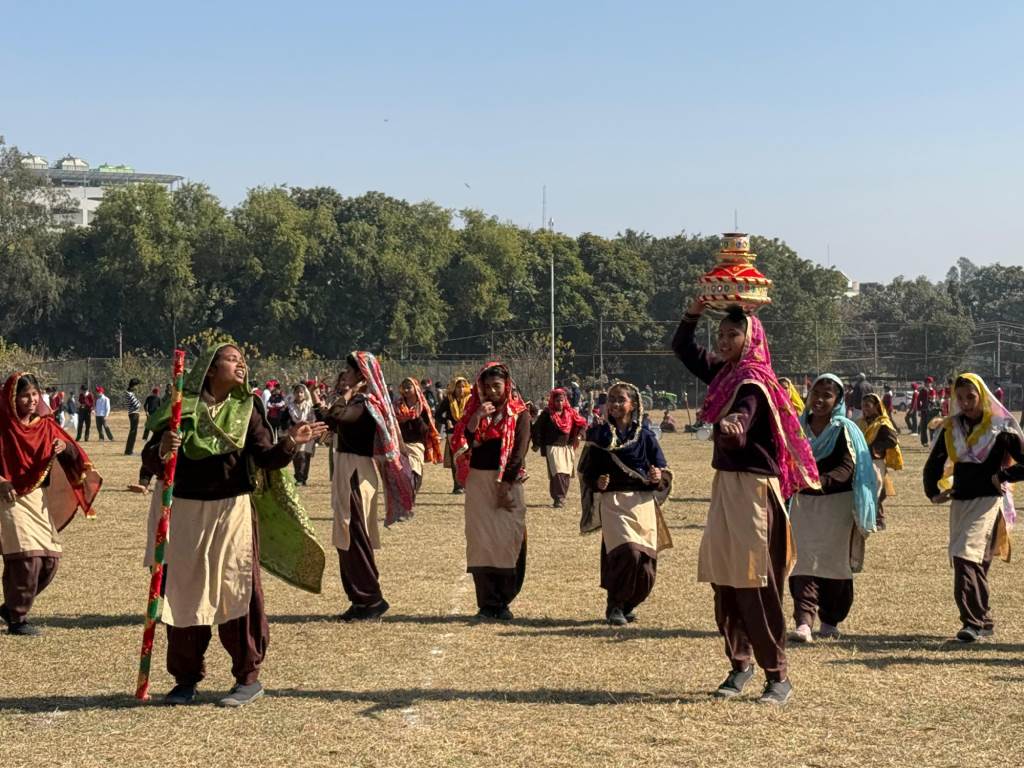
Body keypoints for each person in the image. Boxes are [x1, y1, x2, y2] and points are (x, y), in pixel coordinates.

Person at [141, 345, 326, 707]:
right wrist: (164, 447)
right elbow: (152, 458)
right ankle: (185, 679)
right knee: (184, 595)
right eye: (231, 358)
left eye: (243, 359)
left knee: (237, 591)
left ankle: (247, 677)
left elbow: (265, 458)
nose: (241, 363)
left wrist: (290, 441)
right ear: (210, 369)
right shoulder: (181, 405)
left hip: (232, 511)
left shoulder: (249, 408)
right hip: (184, 511)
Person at [673, 301, 819, 706]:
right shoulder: (725, 374)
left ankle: (777, 676)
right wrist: (693, 313)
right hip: (727, 487)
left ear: (750, 338)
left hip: (755, 491)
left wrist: (732, 425)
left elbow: (744, 417)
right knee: (725, 581)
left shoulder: (753, 383)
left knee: (756, 584)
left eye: (731, 335)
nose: (723, 341)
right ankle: (740, 665)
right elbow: (683, 348)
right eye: (720, 334)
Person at [312, 352, 414, 622]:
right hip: (348, 469)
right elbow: (329, 421)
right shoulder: (356, 402)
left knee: (355, 535)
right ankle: (359, 599)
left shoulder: (366, 404)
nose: (343, 374)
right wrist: (319, 398)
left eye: (348, 370)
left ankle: (371, 599)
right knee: (347, 537)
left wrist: (347, 394)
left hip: (357, 473)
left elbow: (338, 415)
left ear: (361, 375)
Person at [923, 373, 1024, 643]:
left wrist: (1003, 476)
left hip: (988, 500)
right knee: (971, 559)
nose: (966, 403)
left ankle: (972, 622)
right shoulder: (952, 428)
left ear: (982, 396)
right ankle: (984, 619)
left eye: (971, 397)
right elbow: (934, 463)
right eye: (961, 398)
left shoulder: (1001, 429)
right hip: (960, 500)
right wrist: (933, 492)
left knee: (964, 556)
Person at [1, 372, 102, 635]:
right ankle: (17, 619)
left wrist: (63, 447)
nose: (31, 400)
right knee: (25, 559)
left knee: (49, 561)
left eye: (34, 394)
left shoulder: (44, 425)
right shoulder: (2, 424)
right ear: (12, 397)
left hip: (36, 498)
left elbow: (75, 454)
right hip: (7, 498)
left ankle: (10, 606)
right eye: (25, 395)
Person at [788, 375, 877, 644]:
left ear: (838, 400)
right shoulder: (796, 429)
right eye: (816, 392)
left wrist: (816, 482)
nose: (820, 399)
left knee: (834, 566)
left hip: (837, 506)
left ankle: (830, 621)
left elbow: (847, 468)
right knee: (801, 562)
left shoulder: (845, 430)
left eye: (827, 395)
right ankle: (804, 621)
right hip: (802, 506)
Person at [579, 381, 672, 625]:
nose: (615, 404)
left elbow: (662, 470)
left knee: (646, 565)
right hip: (614, 501)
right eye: (611, 399)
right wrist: (597, 481)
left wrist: (657, 477)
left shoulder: (646, 436)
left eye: (621, 400)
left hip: (642, 503)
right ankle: (615, 605)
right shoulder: (599, 436)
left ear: (633, 405)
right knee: (626, 553)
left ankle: (629, 603)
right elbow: (587, 473)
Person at [451, 362, 531, 621]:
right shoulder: (473, 411)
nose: (492, 391)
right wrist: (475, 420)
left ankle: (504, 601)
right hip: (478, 483)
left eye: (497, 386)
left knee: (509, 540)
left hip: (508, 482)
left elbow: (518, 452)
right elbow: (461, 441)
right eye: (487, 386)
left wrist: (506, 486)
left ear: (507, 385)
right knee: (481, 542)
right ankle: (487, 603)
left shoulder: (520, 413)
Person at [531, 387, 586, 508]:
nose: (559, 403)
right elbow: (537, 428)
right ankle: (558, 498)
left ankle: (561, 497)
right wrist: (537, 443)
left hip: (567, 447)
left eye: (561, 400)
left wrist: (579, 436)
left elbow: (582, 424)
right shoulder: (547, 414)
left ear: (565, 400)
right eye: (557, 401)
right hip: (552, 447)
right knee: (557, 473)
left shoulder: (571, 413)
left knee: (565, 474)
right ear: (552, 401)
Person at [858, 393, 902, 531]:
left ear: (876, 406)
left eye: (867, 406)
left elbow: (892, 440)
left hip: (876, 461)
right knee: (867, 490)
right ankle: (872, 519)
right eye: (863, 406)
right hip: (862, 460)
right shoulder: (861, 422)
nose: (865, 409)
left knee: (875, 491)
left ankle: (877, 520)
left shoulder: (883, 423)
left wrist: (874, 448)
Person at [396, 377, 442, 492]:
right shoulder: (397, 405)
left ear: (415, 388)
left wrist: (415, 418)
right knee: (402, 473)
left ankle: (411, 494)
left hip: (417, 444)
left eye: (409, 387)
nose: (406, 390)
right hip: (400, 444)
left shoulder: (422, 407)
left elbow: (426, 429)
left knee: (415, 471)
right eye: (404, 387)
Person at [436, 376, 471, 494]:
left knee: (468, 458)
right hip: (453, 433)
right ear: (453, 388)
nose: (461, 390)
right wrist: (447, 420)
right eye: (458, 387)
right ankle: (458, 485)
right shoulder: (448, 400)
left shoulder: (470, 399)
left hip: (467, 432)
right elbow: (438, 415)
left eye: (463, 387)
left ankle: (468, 484)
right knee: (456, 459)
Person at [286, 383, 317, 485]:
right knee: (296, 455)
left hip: (308, 432)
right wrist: (290, 427)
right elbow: (285, 420)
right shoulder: (290, 407)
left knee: (304, 456)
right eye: (297, 392)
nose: (299, 394)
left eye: (301, 392)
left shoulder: (310, 406)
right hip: (295, 433)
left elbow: (313, 419)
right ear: (294, 394)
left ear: (304, 394)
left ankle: (302, 478)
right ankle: (298, 476)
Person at [124, 378, 143, 455]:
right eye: (137, 386)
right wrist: (139, 402)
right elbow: (137, 405)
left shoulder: (129, 393)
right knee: (133, 432)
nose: (137, 388)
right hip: (134, 414)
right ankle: (129, 451)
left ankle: (129, 450)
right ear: (134, 385)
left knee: (133, 432)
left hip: (132, 413)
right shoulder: (130, 394)